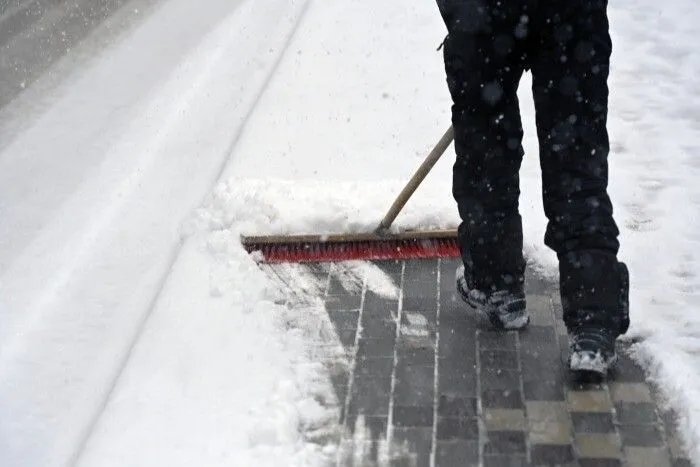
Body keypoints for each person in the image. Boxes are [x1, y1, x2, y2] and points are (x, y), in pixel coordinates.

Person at [435, 0, 629, 376]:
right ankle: (592, 319)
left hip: (488, 14)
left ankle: (496, 284)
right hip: (571, 18)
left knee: (487, 153)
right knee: (575, 158)